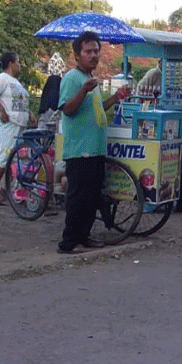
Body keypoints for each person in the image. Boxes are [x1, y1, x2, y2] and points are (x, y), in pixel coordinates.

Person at [57, 31, 131, 254]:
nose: (93, 55)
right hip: (80, 150)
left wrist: (116, 97)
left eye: (96, 51)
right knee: (78, 197)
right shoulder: (73, 79)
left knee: (91, 197)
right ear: (77, 55)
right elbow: (67, 110)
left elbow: (98, 109)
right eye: (88, 51)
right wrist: (83, 90)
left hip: (96, 147)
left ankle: (84, 236)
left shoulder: (91, 80)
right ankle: (69, 242)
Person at [0, 52, 35, 203]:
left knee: (18, 156)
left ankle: (13, 188)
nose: (20, 65)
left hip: (20, 124)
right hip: (8, 123)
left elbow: (19, 102)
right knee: (6, 152)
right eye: (18, 62)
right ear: (11, 63)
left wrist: (29, 113)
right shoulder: (2, 78)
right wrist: (1, 110)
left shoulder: (16, 82)